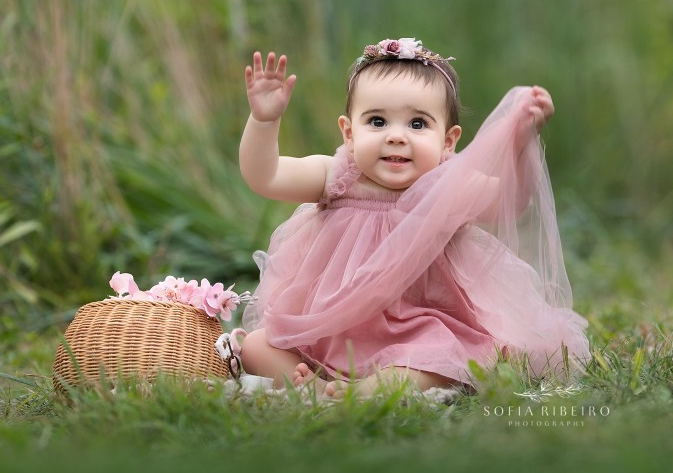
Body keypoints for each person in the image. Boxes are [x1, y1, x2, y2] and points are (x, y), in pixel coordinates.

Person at [237, 38, 589, 397]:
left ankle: (368, 389)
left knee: (437, 363)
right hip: (331, 330)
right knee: (255, 347)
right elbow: (265, 176)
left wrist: (521, 141)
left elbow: (508, 202)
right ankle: (317, 386)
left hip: (418, 331)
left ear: (448, 141)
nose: (396, 137)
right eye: (377, 121)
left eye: (418, 124)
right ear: (348, 132)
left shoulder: (449, 185)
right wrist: (264, 121)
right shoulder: (337, 176)